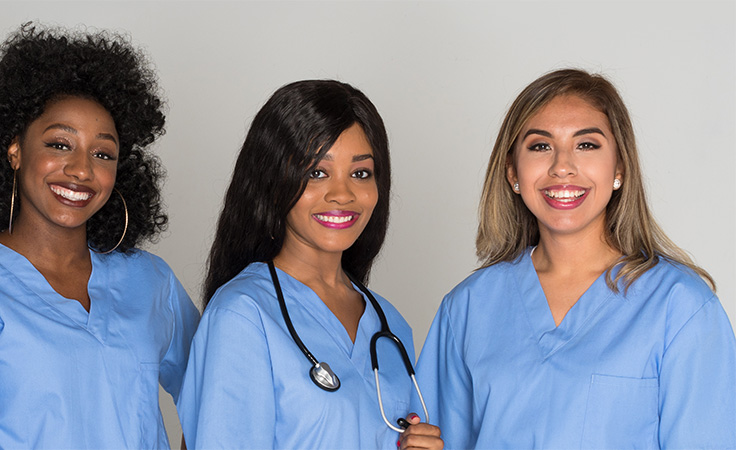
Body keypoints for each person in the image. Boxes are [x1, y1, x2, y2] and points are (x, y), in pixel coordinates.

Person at [0, 24, 199, 450]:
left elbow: (222, 390)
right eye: (60, 144)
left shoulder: (151, 281)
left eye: (102, 153)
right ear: (15, 150)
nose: (81, 169)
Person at [413, 68, 736, 449]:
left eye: (586, 145)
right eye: (540, 146)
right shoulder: (467, 308)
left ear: (619, 168)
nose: (562, 166)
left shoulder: (680, 307)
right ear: (512, 172)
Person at [177, 80, 442, 450]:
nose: (343, 194)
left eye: (361, 173)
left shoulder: (390, 326)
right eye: (317, 172)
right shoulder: (244, 315)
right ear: (273, 181)